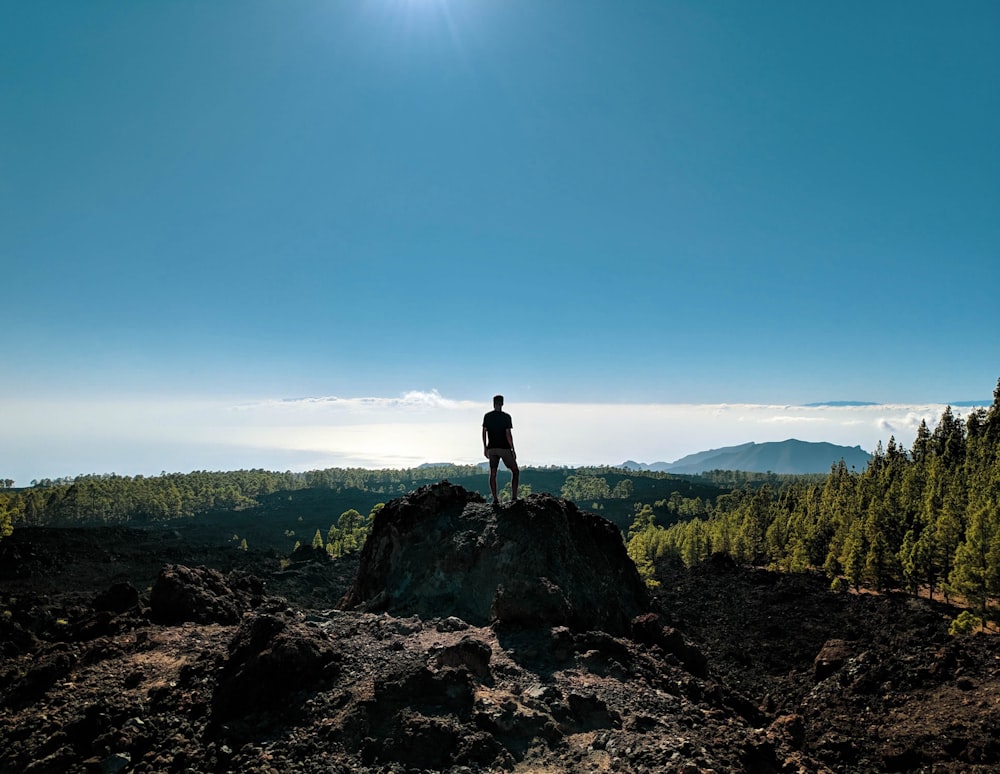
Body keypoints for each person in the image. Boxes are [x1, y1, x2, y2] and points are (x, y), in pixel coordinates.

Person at [482, 394, 519, 506]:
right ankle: (514, 497)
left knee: (493, 473)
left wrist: (485, 447)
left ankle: (495, 499)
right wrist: (512, 449)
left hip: (492, 448)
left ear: (493, 403)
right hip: (504, 448)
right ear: (502, 403)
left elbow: (483, 432)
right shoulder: (506, 417)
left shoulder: (487, 416)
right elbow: (508, 434)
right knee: (515, 471)